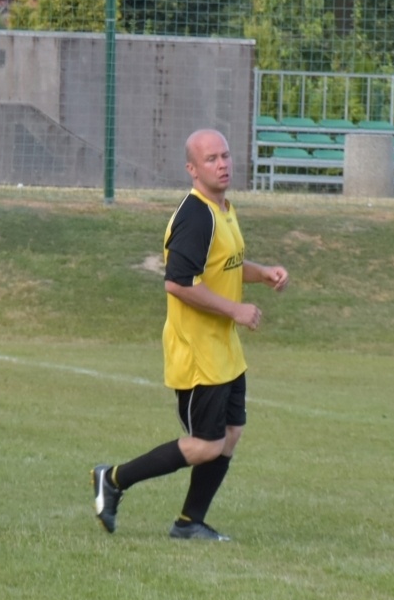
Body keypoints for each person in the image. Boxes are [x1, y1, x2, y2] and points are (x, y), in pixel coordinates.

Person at [91, 128, 288, 541]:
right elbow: (178, 282)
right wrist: (236, 309)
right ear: (192, 169)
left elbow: (227, 264)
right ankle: (113, 478)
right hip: (198, 351)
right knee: (206, 444)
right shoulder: (196, 214)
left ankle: (189, 522)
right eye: (212, 159)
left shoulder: (223, 209)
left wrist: (263, 273)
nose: (223, 164)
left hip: (224, 349)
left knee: (231, 434)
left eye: (226, 155)